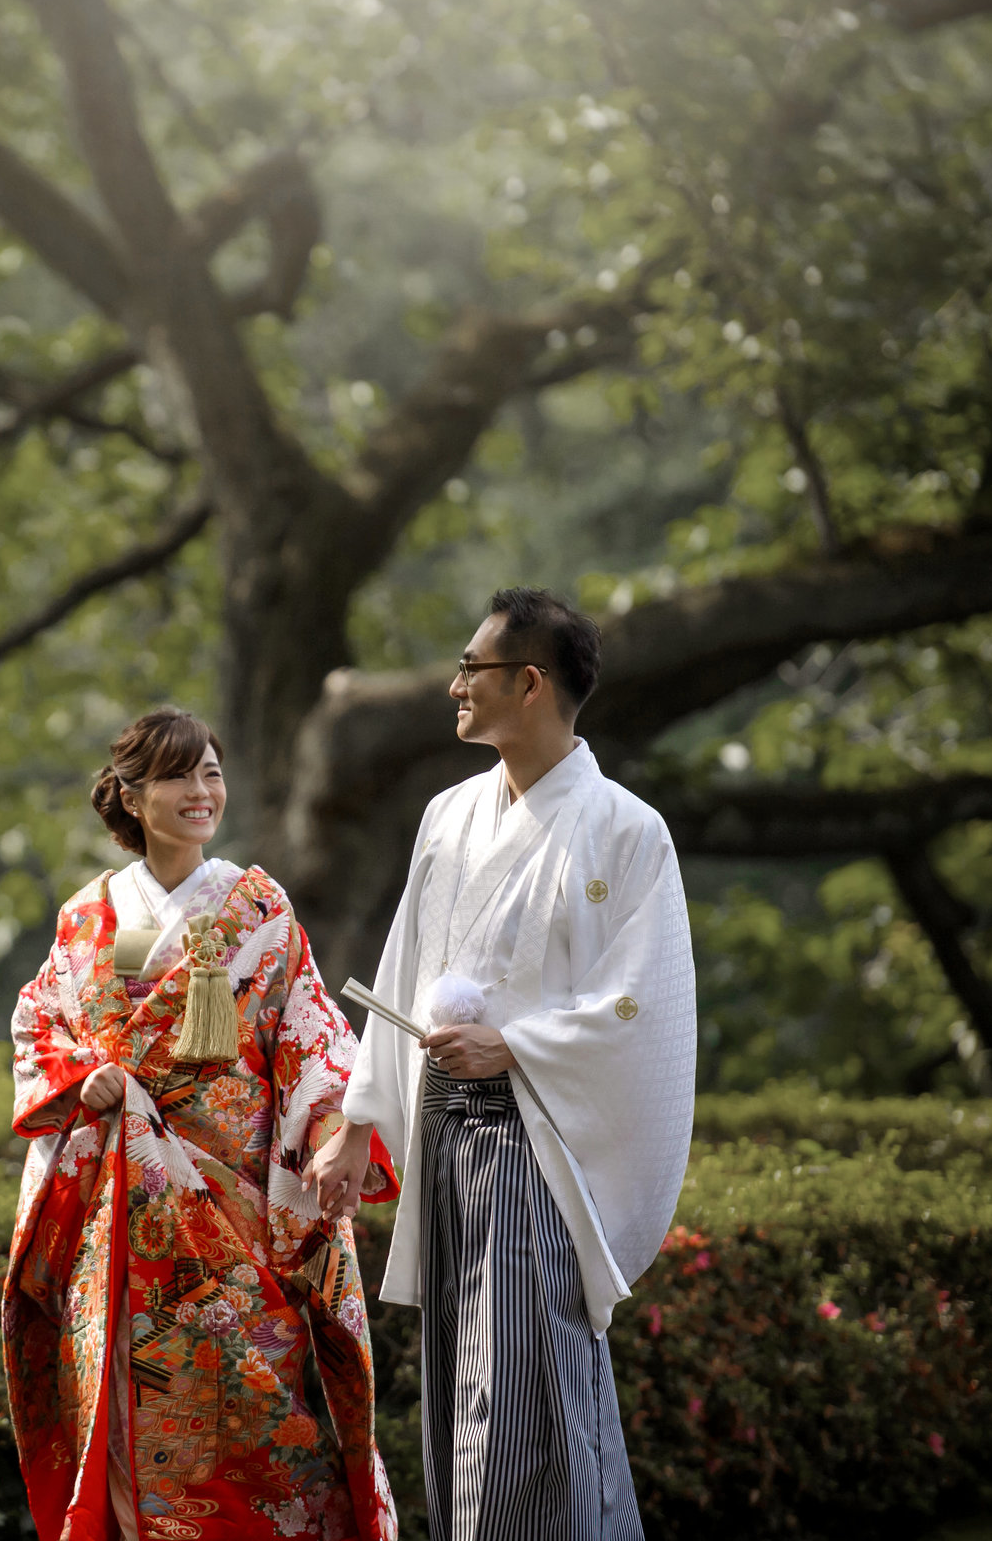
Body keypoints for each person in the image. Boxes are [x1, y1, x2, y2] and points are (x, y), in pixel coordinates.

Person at [306, 588, 698, 1541]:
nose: (454, 687)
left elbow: (639, 1007)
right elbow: (406, 959)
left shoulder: (626, 830)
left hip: (540, 1142)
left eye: (470, 670)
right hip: (448, 1132)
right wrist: (359, 1123)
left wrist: (513, 1042)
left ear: (530, 683)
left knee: (518, 1385)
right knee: (464, 1381)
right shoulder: (447, 817)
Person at [3, 707, 402, 1541]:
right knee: (120, 1425)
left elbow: (312, 1033)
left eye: (212, 772)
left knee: (261, 1433)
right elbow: (44, 1024)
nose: (201, 791)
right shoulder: (87, 916)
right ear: (130, 796)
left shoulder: (257, 905)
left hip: (238, 1221)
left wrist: (338, 1132)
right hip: (118, 1226)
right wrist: (87, 1076)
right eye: (179, 775)